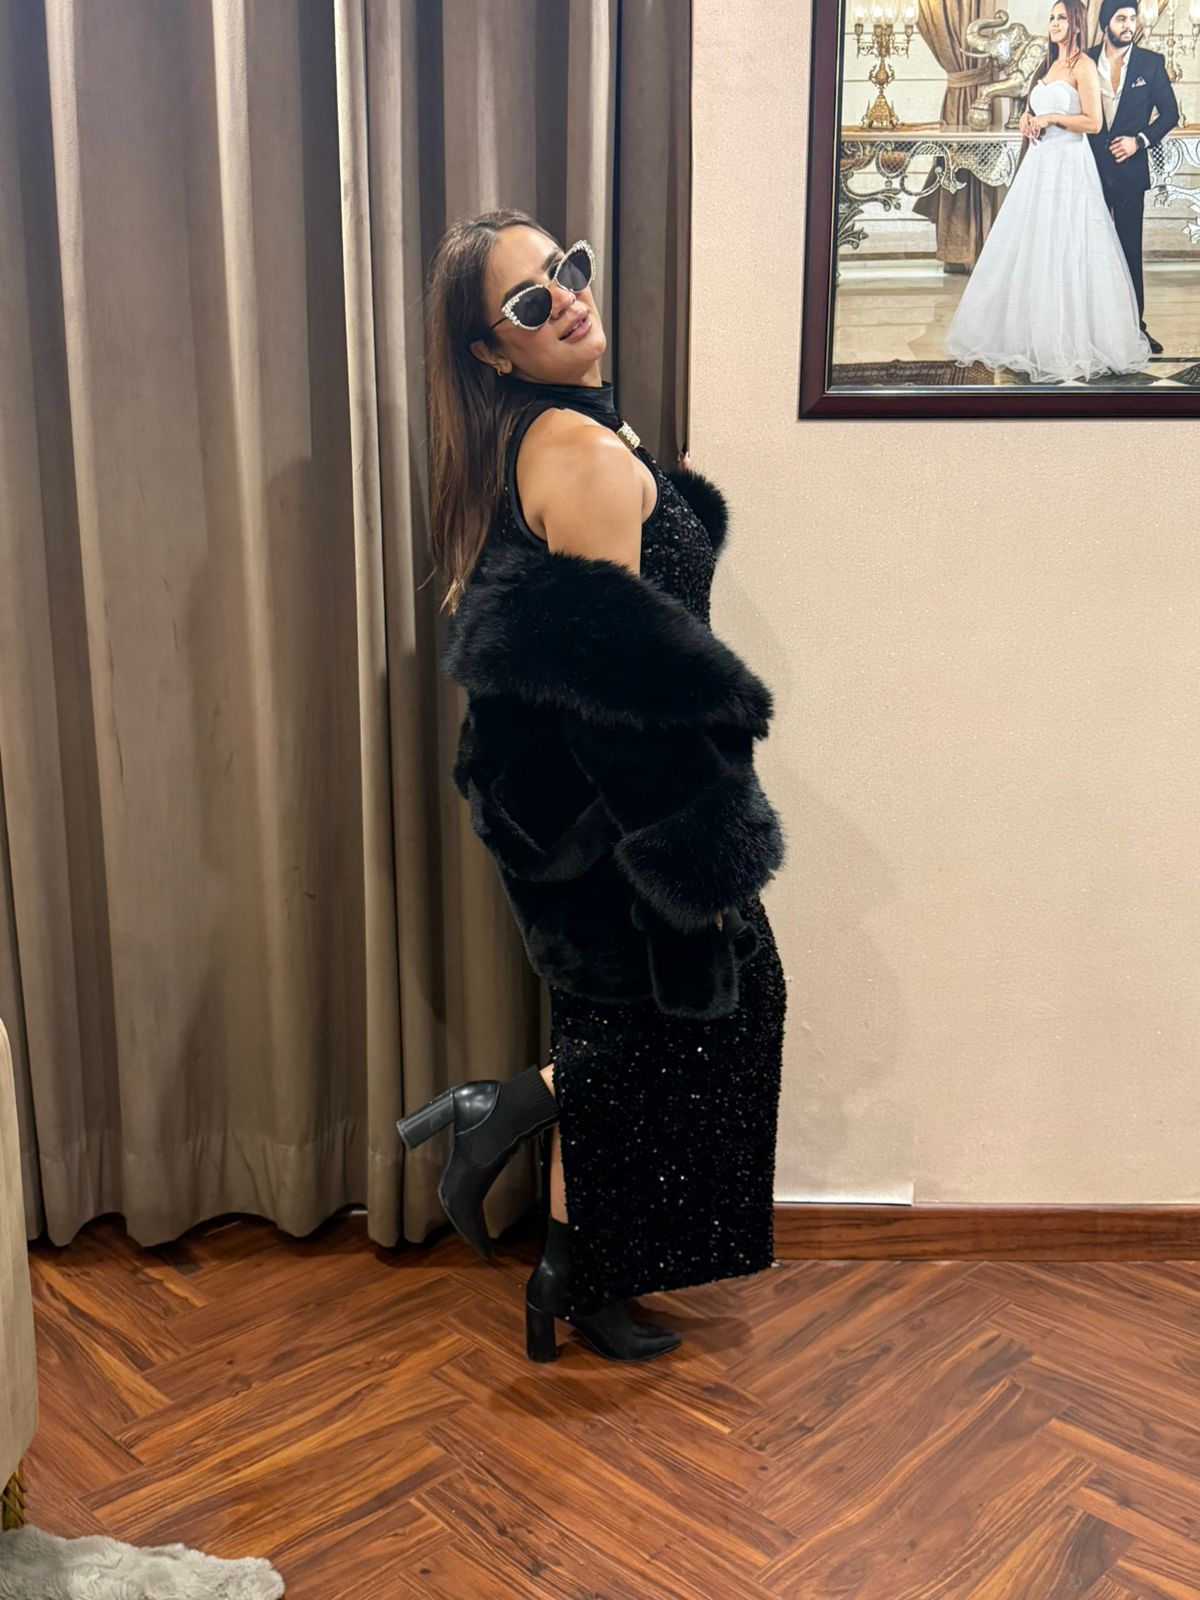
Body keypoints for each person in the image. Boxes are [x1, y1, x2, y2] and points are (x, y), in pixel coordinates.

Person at [397, 208, 788, 1365]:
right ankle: (503, 1118)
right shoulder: (577, 452)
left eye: (567, 268)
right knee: (717, 1004)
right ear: (493, 349)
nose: (568, 295)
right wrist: (693, 874)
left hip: (559, 807)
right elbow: (623, 703)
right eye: (532, 300)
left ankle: (572, 1269)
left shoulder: (556, 429)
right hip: (602, 816)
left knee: (621, 1029)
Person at [944, 0, 1150, 384]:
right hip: (1039, 165)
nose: (1054, 24)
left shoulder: (1083, 66)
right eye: (1052, 18)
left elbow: (1094, 122)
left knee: (1067, 243)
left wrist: (1052, 117)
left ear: (1076, 24)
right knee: (1033, 243)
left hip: (1070, 164)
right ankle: (1027, 335)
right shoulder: (1048, 64)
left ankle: (1069, 339)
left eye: (1061, 18)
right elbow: (1035, 105)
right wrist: (1027, 117)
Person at [1086, 0, 1180, 354]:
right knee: (1088, 250)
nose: (1128, 25)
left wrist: (1138, 141)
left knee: (1129, 253)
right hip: (1087, 172)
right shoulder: (1084, 61)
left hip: (1129, 174)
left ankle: (1135, 329)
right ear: (1105, 23)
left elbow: (1169, 115)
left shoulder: (1150, 63)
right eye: (1120, 18)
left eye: (1132, 18)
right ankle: (1089, 328)